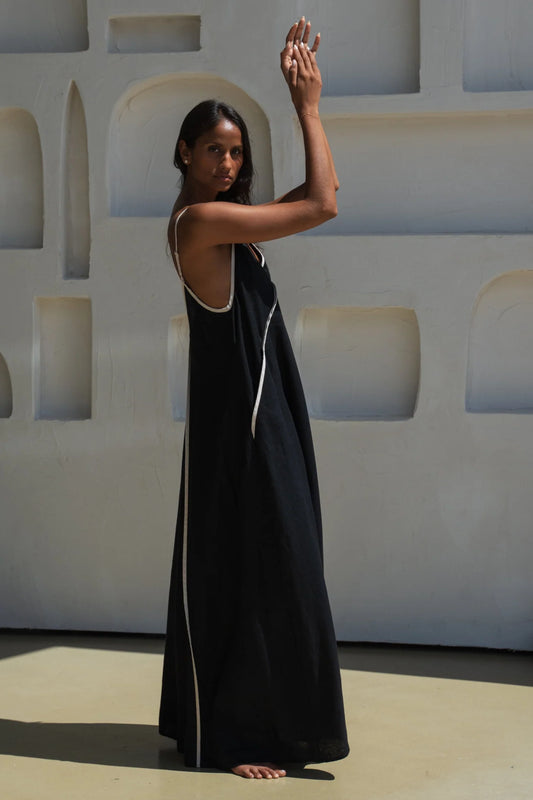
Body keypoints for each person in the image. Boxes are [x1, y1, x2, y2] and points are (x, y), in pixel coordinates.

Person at [159, 18, 349, 779]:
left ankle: (247, 726)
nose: (230, 163)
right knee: (259, 568)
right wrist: (304, 106)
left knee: (271, 566)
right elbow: (324, 206)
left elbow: (318, 191)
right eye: (215, 150)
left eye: (236, 151)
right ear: (184, 155)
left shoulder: (230, 225)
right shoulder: (199, 223)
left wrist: (306, 96)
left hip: (263, 414)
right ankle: (231, 740)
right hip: (240, 429)